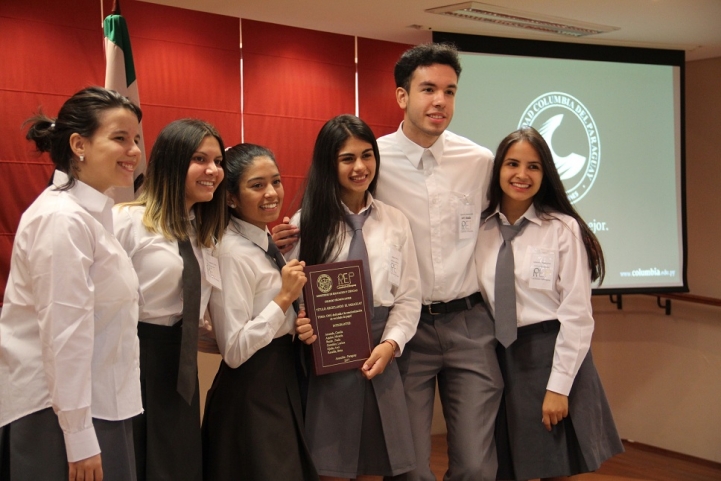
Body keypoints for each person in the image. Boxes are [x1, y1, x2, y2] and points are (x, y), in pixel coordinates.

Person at [0, 86, 143, 481]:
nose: (134, 151)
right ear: (79, 144)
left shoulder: (93, 215)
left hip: (98, 407)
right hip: (61, 416)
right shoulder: (62, 219)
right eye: (120, 138)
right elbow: (65, 335)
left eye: (135, 140)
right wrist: (79, 437)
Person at [475, 127, 623, 480]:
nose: (521, 175)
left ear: (546, 175)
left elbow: (577, 316)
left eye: (534, 167)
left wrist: (558, 387)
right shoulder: (479, 229)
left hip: (551, 354)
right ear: (498, 169)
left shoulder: (562, 229)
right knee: (505, 467)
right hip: (499, 358)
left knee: (554, 466)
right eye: (512, 164)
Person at [287, 114, 421, 480]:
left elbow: (409, 297)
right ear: (329, 163)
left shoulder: (395, 221)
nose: (360, 167)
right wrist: (301, 322)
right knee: (330, 466)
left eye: (367, 155)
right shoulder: (304, 223)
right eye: (347, 158)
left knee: (374, 466)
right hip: (327, 357)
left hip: (380, 353)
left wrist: (391, 344)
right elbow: (291, 294)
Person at [113, 119, 226, 481]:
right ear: (173, 161)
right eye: (200, 159)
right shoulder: (127, 221)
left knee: (177, 465)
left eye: (219, 162)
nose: (213, 170)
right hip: (134, 357)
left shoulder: (205, 232)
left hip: (182, 366)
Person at [202, 143, 319, 481]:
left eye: (276, 181)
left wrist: (299, 324)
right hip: (251, 393)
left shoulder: (265, 241)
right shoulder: (231, 252)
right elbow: (235, 350)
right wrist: (284, 299)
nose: (271, 193)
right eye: (257, 185)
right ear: (230, 197)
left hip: (282, 379)